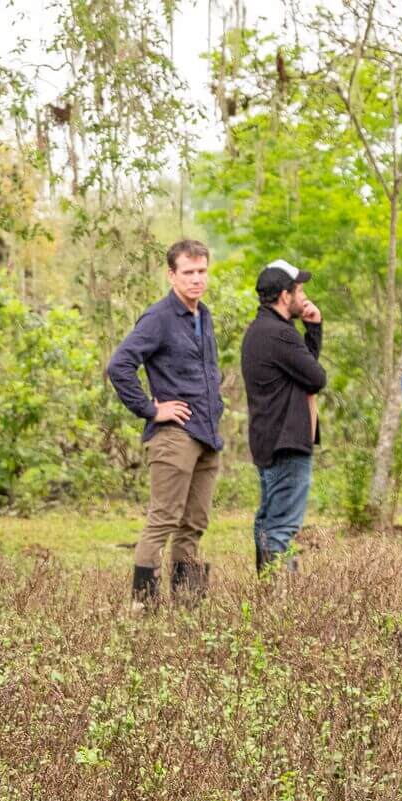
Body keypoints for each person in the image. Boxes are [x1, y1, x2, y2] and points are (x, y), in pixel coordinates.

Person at [105, 238, 223, 608]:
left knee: (194, 525)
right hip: (174, 437)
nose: (196, 279)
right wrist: (151, 409)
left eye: (202, 271)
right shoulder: (158, 318)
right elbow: (119, 366)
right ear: (171, 275)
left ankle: (188, 608)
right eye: (188, 272)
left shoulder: (203, 316)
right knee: (163, 521)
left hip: (207, 435)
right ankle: (145, 609)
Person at [241, 260, 325, 575]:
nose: (303, 296)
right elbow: (316, 378)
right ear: (284, 295)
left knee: (268, 520)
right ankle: (282, 604)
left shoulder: (261, 330)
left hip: (269, 439)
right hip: (287, 441)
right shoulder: (280, 335)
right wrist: (313, 329)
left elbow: (302, 371)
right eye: (299, 289)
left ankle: (269, 597)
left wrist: (311, 329)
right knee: (282, 527)